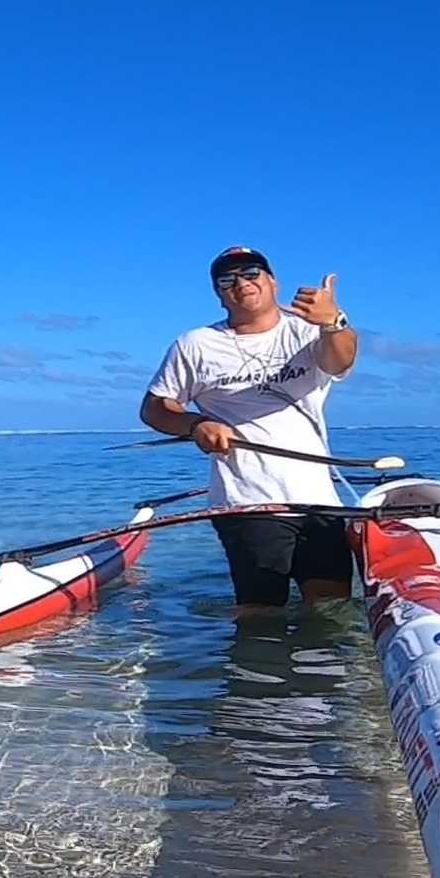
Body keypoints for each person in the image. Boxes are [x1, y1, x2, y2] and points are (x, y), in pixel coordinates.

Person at [141, 246, 360, 607]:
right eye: (227, 279)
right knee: (261, 613)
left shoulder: (309, 330)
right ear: (218, 294)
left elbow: (340, 360)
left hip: (318, 501)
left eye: (251, 273)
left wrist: (333, 321)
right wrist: (196, 424)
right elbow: (154, 408)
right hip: (246, 503)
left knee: (331, 608)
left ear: (273, 282)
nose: (241, 283)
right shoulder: (195, 344)